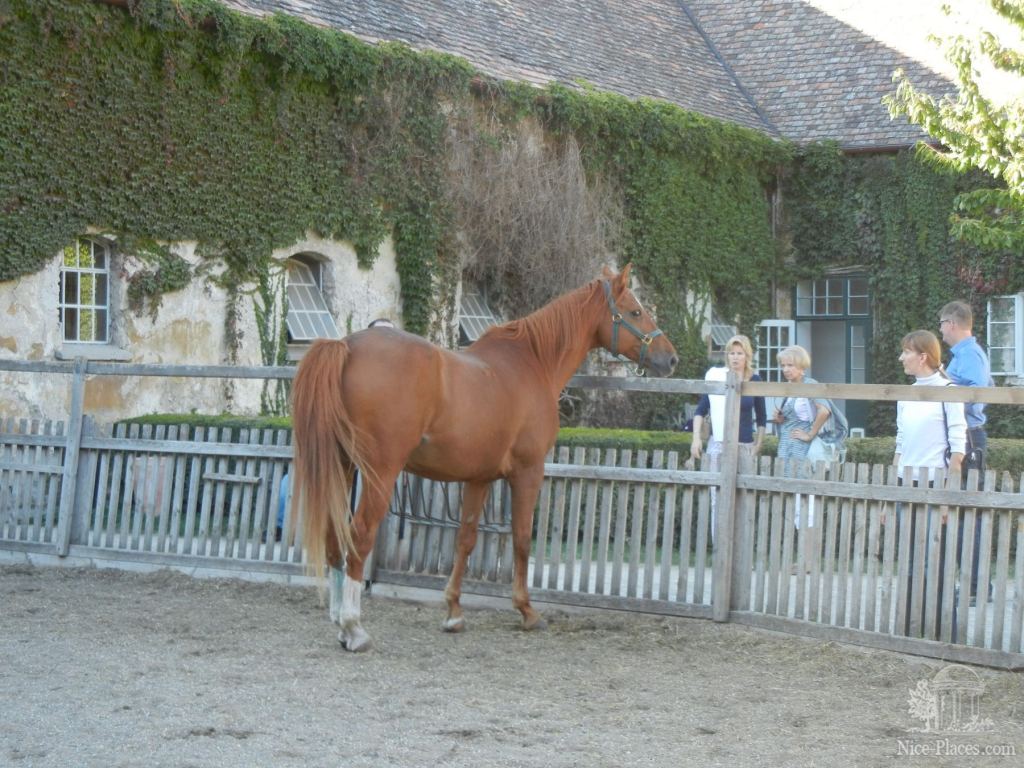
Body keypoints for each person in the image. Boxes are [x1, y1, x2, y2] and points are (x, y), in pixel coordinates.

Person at [894, 330, 966, 636]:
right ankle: (910, 625)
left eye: (906, 352)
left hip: (935, 485)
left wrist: (948, 498)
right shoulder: (905, 394)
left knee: (935, 560)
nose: (901, 358)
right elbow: (899, 444)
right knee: (908, 559)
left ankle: (940, 627)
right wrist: (890, 493)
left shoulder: (949, 391)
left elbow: (958, 447)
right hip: (905, 484)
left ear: (922, 356)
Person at [939, 300, 993, 605]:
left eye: (942, 324)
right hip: (968, 435)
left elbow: (976, 396)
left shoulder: (969, 354)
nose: (941, 330)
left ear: (953, 324)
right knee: (962, 511)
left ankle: (975, 586)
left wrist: (947, 384)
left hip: (969, 437)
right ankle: (976, 584)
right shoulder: (966, 354)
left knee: (966, 511)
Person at [690, 335, 766, 540]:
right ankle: (719, 546)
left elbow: (761, 417)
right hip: (718, 443)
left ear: (747, 355)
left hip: (744, 444)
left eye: (739, 353)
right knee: (717, 496)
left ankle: (740, 549)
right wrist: (696, 438)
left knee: (742, 499)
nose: (735, 357)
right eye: (731, 353)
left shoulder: (755, 380)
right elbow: (700, 410)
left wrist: (758, 445)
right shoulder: (717, 378)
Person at [771, 345, 832, 530]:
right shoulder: (788, 389)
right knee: (793, 497)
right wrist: (780, 419)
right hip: (787, 447)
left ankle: (808, 542)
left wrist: (810, 434)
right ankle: (799, 543)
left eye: (790, 365)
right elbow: (789, 418)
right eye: (783, 365)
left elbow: (824, 411)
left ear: (801, 366)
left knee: (806, 496)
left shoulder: (810, 384)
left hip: (802, 450)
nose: (786, 369)